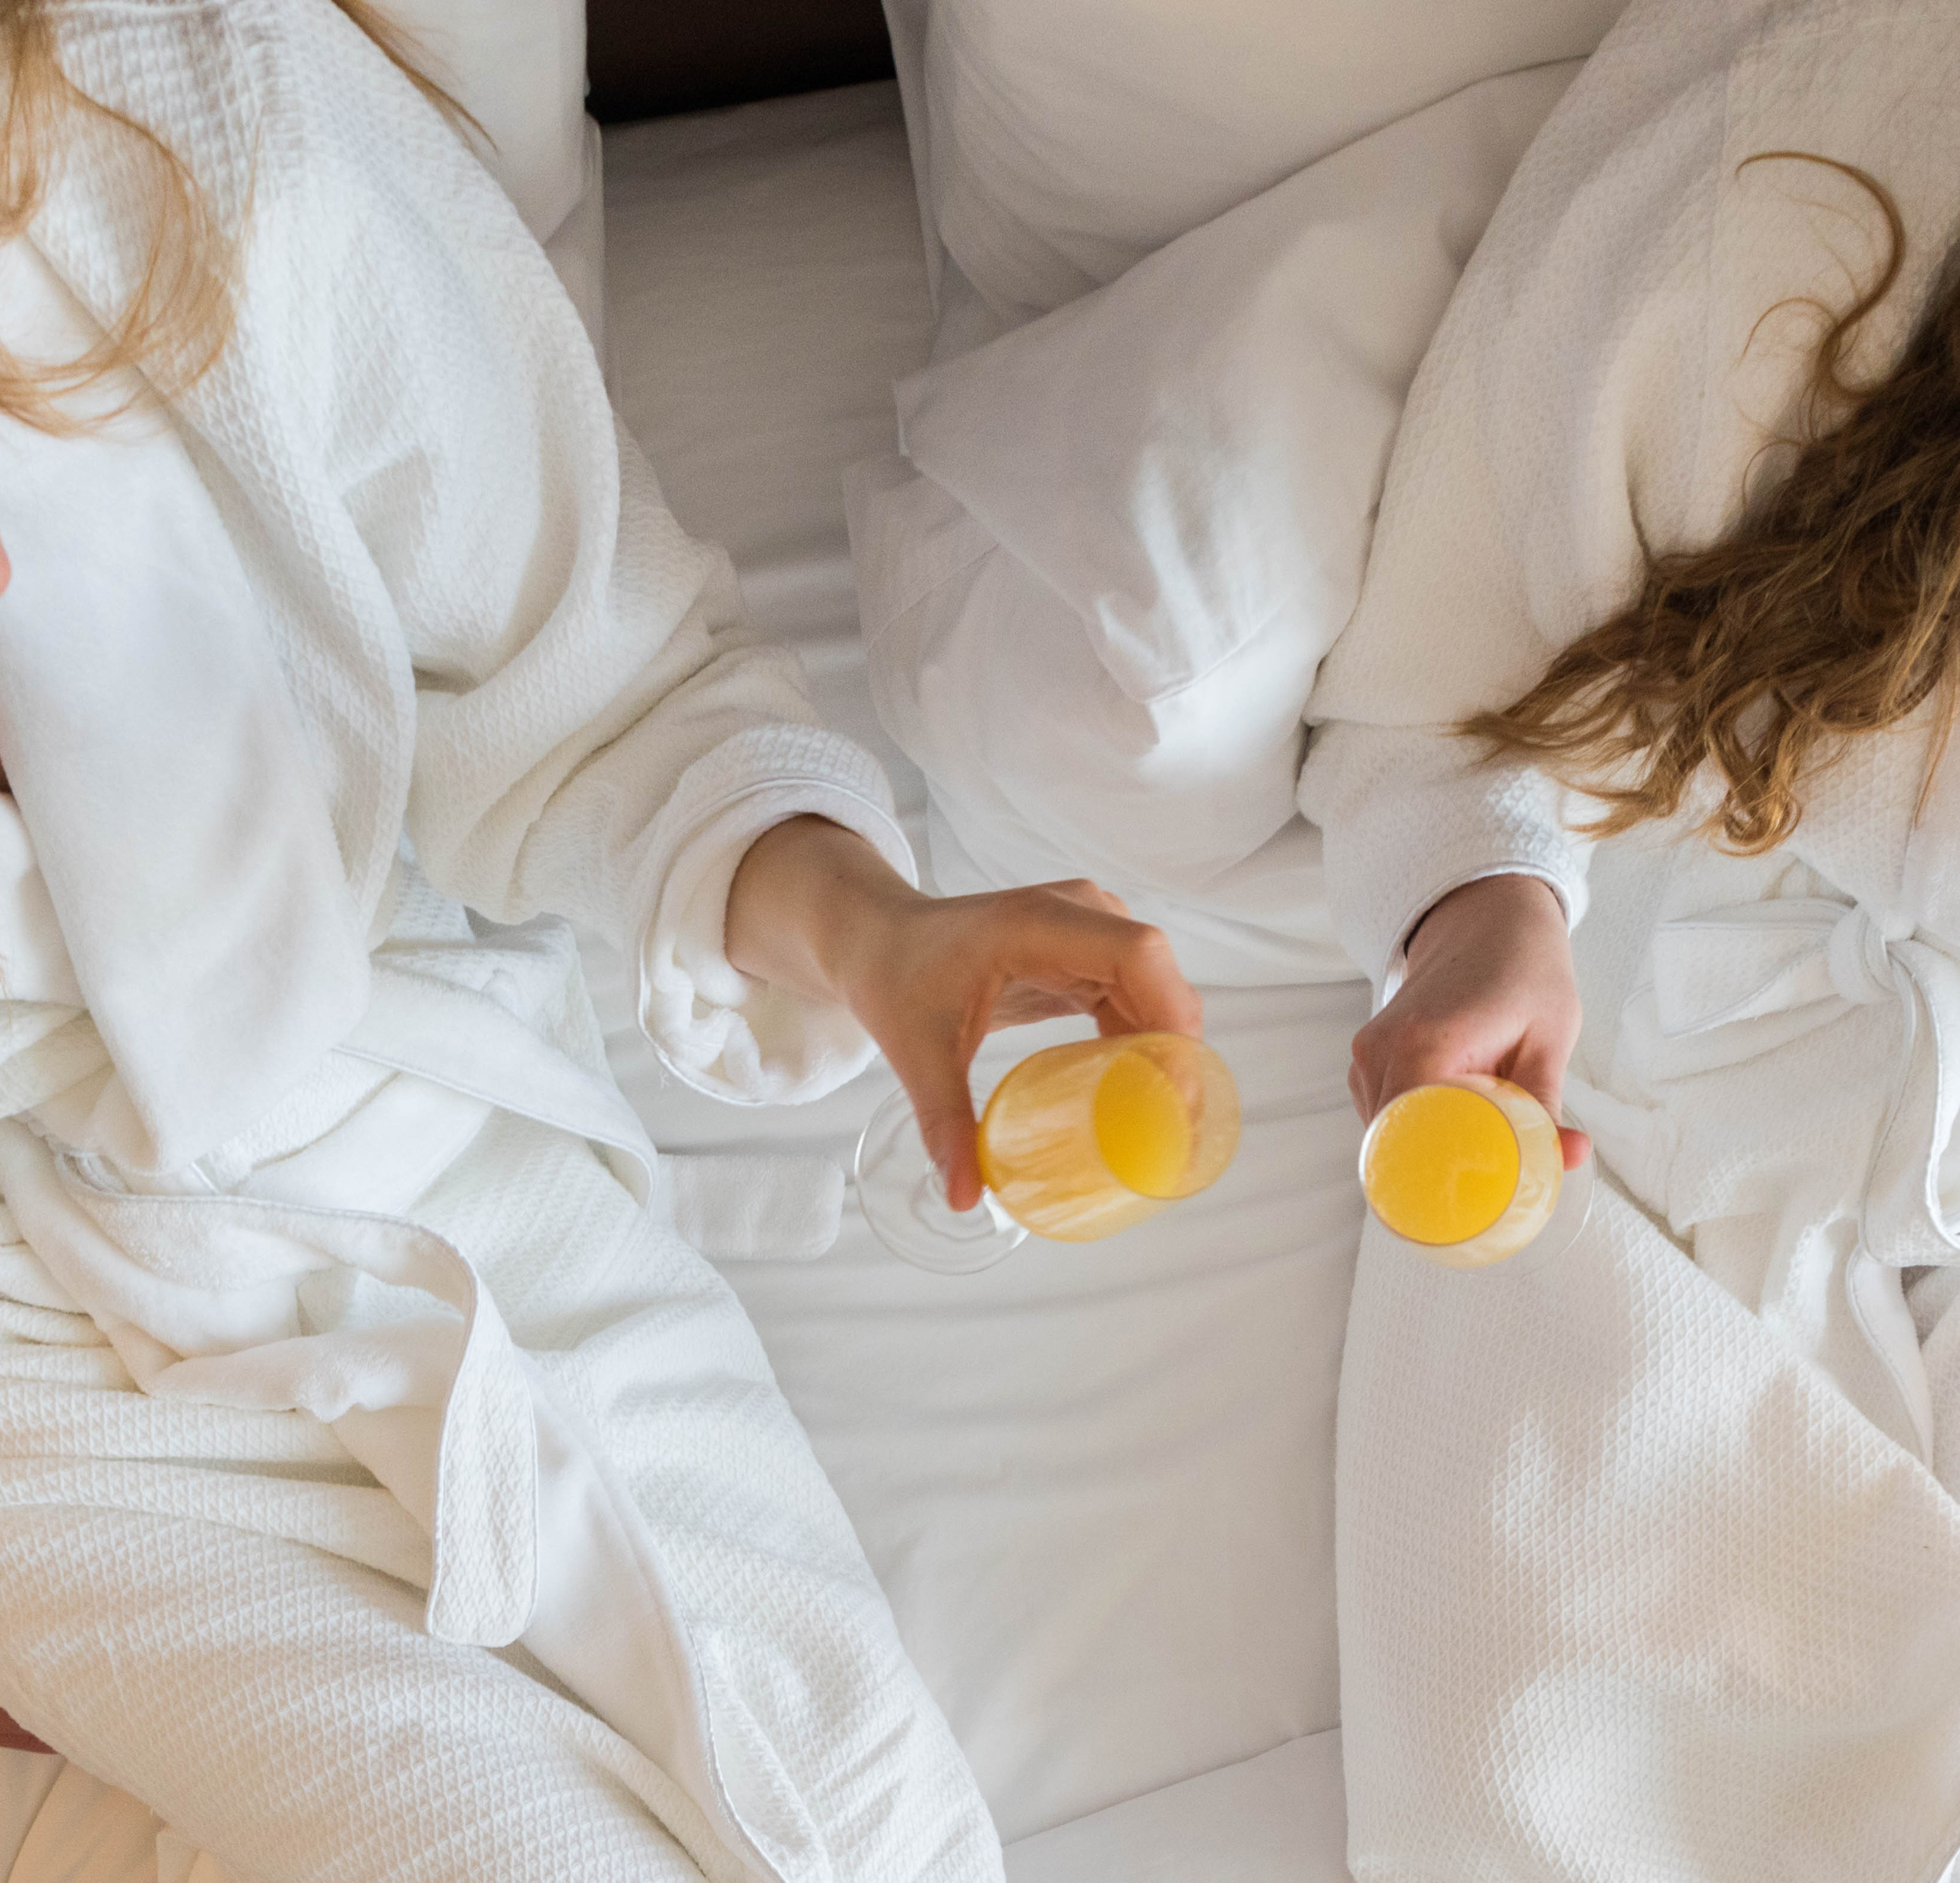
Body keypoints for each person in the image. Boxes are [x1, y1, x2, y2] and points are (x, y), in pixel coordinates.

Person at [0, 1, 1196, 1876]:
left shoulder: (180, 99)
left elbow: (585, 683)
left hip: (405, 1137)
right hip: (29, 1375)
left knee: (870, 1840)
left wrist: (872, 933)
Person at [1302, 0, 1960, 1873]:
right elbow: (1462, 647)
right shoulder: (1830, 180)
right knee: (1566, 1738)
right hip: (1710, 991)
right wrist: (1480, 907)